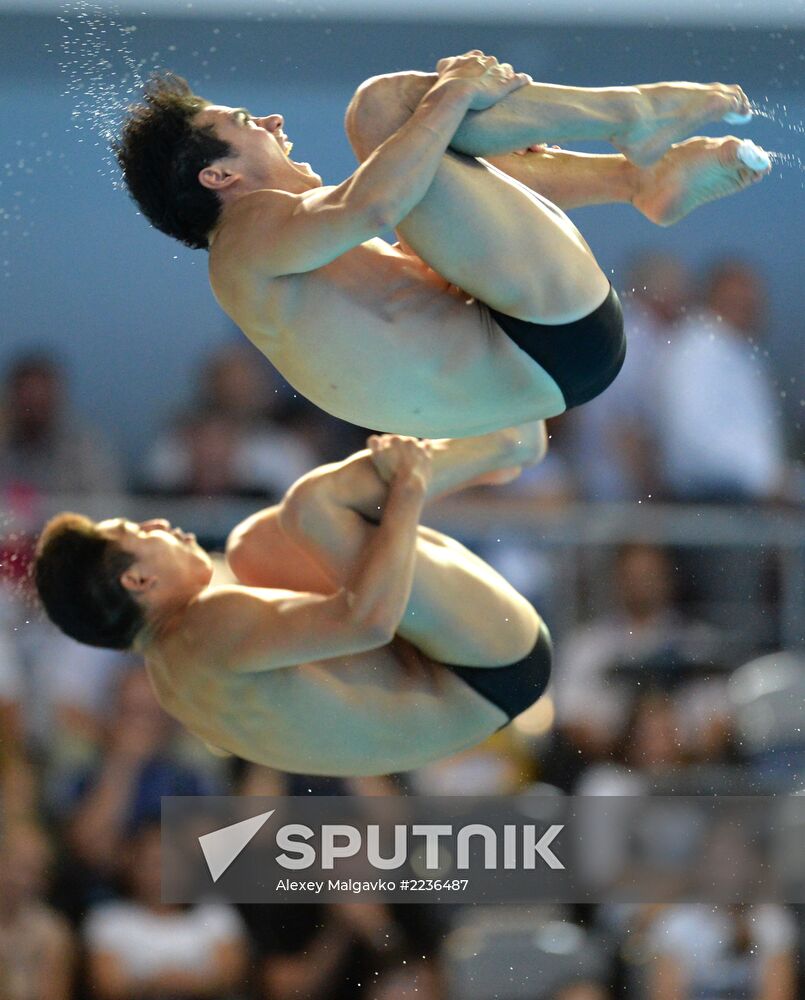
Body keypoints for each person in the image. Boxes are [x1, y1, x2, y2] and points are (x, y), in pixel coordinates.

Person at [115, 52, 767, 438]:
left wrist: (471, 152)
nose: (273, 122)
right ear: (219, 176)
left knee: (421, 150)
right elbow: (374, 202)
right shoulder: (243, 237)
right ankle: (634, 123)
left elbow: (419, 269)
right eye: (245, 122)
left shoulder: (284, 266)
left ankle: (639, 178)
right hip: (541, 337)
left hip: (543, 356)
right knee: (381, 110)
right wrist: (455, 90)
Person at [34, 423, 553, 776]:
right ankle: (506, 444)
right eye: (136, 531)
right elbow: (368, 622)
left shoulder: (172, 677)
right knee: (313, 508)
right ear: (138, 581)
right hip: (488, 667)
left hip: (467, 693)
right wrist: (408, 492)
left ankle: (488, 458)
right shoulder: (208, 624)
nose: (157, 524)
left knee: (255, 545)